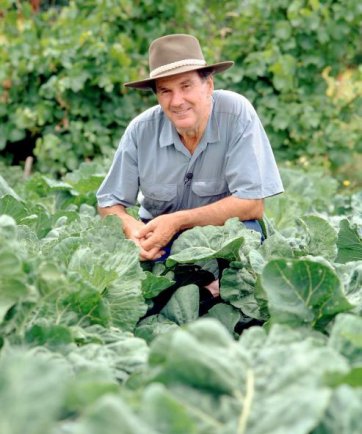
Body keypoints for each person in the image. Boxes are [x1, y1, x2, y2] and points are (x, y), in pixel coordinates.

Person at [96, 34, 284, 305]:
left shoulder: (236, 114)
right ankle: (191, 292)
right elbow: (108, 203)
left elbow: (252, 204)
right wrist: (133, 231)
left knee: (248, 236)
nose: (177, 101)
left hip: (221, 240)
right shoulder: (141, 130)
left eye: (186, 86)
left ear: (208, 85)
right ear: (157, 96)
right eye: (166, 91)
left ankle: (213, 292)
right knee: (124, 279)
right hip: (161, 244)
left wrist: (178, 221)